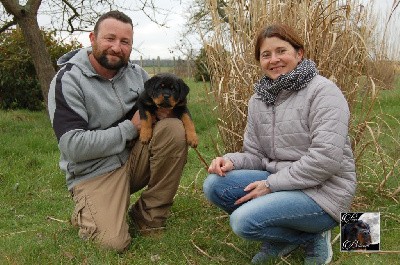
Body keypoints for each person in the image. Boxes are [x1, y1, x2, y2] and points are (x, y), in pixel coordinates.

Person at [203, 24, 356, 264]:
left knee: (242, 221)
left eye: (281, 51)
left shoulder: (323, 92)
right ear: (259, 61)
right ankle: (295, 235)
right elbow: (255, 154)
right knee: (214, 185)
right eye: (266, 54)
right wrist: (231, 161)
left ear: (299, 53)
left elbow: (326, 159)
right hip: (279, 182)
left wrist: (270, 185)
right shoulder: (259, 99)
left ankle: (316, 233)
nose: (274, 59)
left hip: (323, 191)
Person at [47, 10, 188, 252]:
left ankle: (148, 217)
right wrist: (130, 127)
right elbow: (73, 147)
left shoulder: (137, 75)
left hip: (133, 160)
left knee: (174, 129)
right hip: (94, 171)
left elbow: (165, 112)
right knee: (112, 244)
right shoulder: (68, 80)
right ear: (92, 39)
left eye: (125, 42)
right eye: (109, 39)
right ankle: (88, 211)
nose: (116, 47)